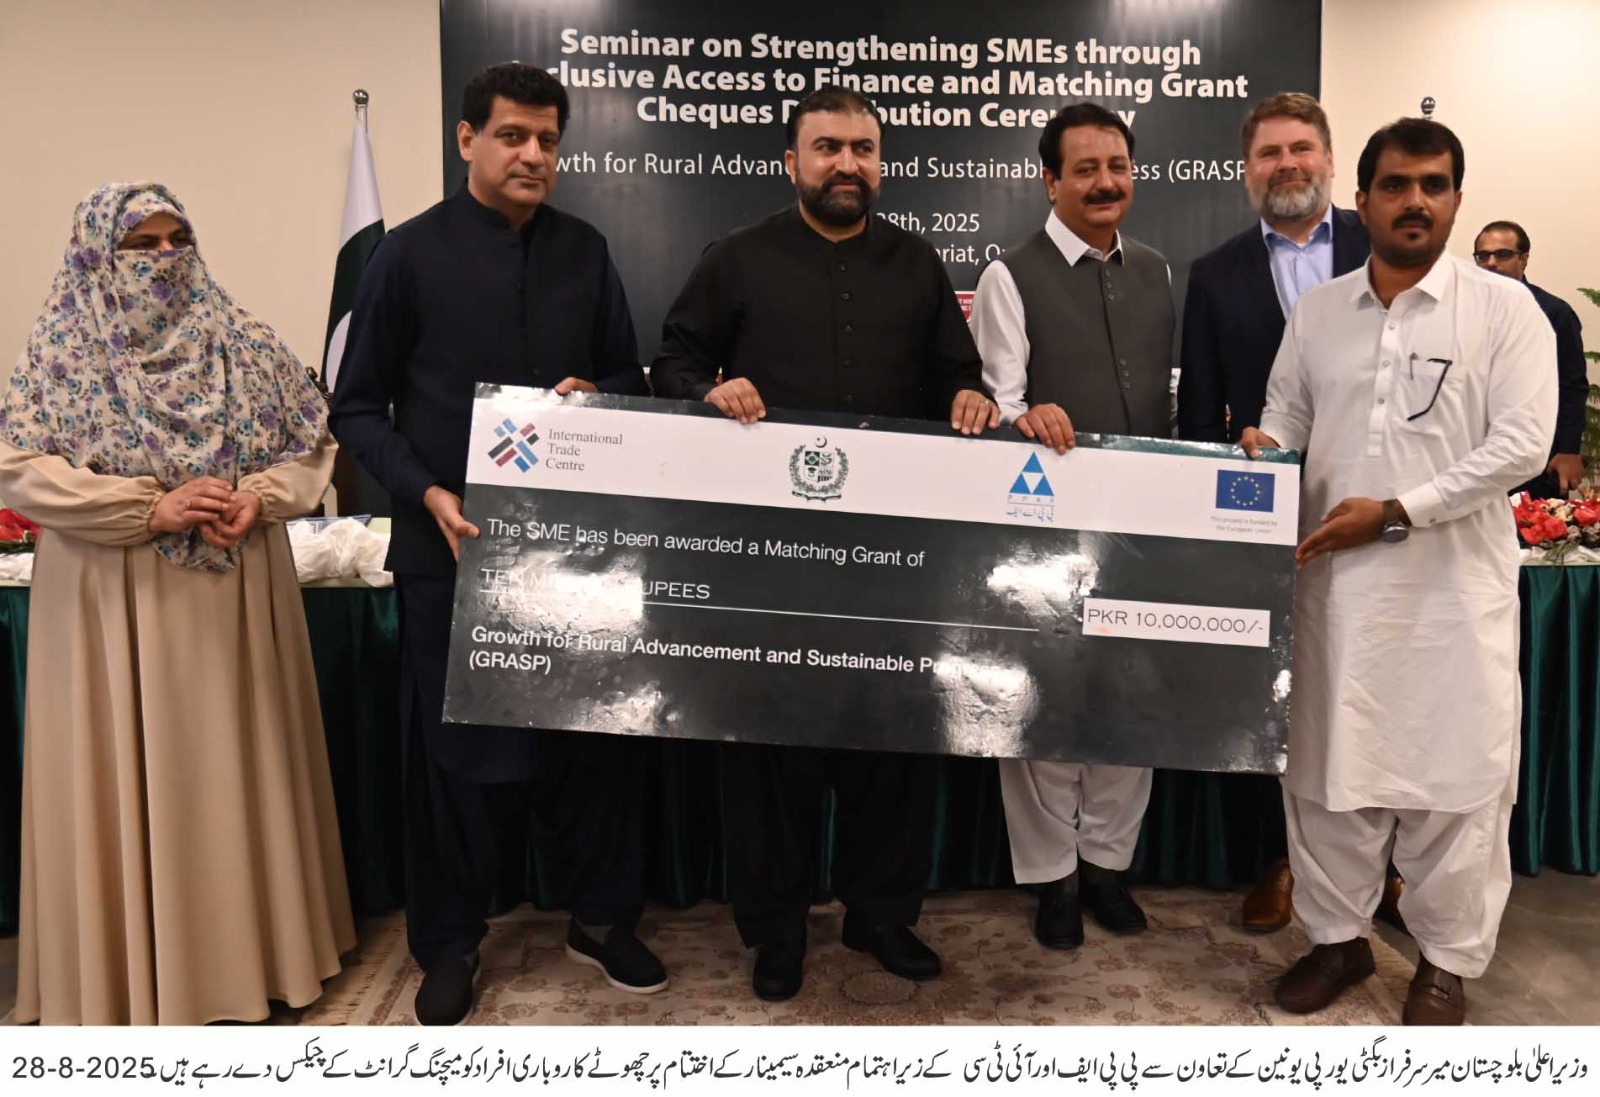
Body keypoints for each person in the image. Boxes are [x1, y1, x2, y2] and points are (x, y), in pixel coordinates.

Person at [329, 63, 663, 1026]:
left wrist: (600, 395)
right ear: (467, 139)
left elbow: (626, 374)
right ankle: (450, 942)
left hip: (574, 558)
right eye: (513, 135)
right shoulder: (404, 255)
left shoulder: (586, 250)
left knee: (591, 747)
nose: (533, 155)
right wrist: (426, 490)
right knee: (456, 763)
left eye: (548, 140)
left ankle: (601, 919)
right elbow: (356, 408)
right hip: (451, 552)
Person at [651, 86, 997, 1002]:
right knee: (770, 753)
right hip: (767, 559)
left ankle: (882, 916)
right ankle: (776, 929)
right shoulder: (735, 258)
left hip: (896, 559)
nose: (848, 163)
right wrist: (707, 392)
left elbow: (958, 379)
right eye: (828, 147)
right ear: (791, 162)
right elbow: (674, 361)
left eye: (864, 149)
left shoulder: (917, 263)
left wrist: (969, 398)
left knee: (895, 745)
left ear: (880, 163)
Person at [0, 182, 354, 1024]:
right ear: (98, 256)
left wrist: (260, 496)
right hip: (110, 598)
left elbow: (314, 444)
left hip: (234, 593)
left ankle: (251, 962)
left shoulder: (243, 342)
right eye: (141, 245)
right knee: (123, 777)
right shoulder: (62, 355)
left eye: (176, 240)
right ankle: (126, 976)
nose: (164, 259)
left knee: (232, 776)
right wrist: (142, 509)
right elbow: (17, 467)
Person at [1240, 118, 1556, 1025]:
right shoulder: (1319, 311)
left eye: (1434, 184)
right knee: (1325, 774)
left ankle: (1445, 961)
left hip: (1452, 596)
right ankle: (1337, 940)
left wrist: (1395, 511)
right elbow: (1286, 416)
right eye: (1396, 185)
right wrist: (1265, 448)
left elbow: (1522, 446)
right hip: (1334, 596)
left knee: (1457, 783)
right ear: (1363, 199)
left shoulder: (1504, 311)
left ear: (1455, 198)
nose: (1415, 201)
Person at [968, 102, 1169, 951]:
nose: (1104, 182)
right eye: (1084, 169)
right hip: (1043, 530)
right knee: (1045, 707)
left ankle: (1106, 867)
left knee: (1133, 702)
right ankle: (1051, 876)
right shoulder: (1009, 276)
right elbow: (1000, 402)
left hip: (1145, 530)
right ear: (1051, 181)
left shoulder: (1157, 270)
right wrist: (1028, 417)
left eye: (1117, 166)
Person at [1176, 92, 1370, 933]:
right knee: (1269, 690)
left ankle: (1384, 866)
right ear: (1246, 170)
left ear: (1329, 156)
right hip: (1266, 520)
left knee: (1370, 684)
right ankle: (1276, 859)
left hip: (1376, 508)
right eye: (1269, 153)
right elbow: (1200, 413)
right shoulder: (1214, 272)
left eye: (1301, 148)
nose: (1287, 164)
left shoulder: (1383, 245)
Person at [1471, 221, 1589, 498]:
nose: (1491, 263)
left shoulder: (1553, 312)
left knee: (1532, 523)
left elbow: (1571, 385)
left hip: (1535, 457)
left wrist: (1569, 450)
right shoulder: (1462, 311)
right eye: (1483, 256)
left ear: (1523, 259)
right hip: (1474, 454)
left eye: (1502, 254)